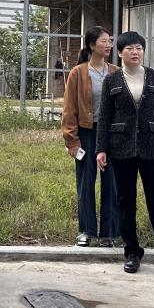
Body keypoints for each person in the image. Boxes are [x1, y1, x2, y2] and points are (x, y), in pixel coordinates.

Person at [96, 32, 154, 283]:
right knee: (125, 202)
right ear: (120, 52)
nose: (135, 52)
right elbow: (104, 117)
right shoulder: (112, 80)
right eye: (130, 49)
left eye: (139, 48)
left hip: (153, 147)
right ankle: (132, 252)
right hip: (120, 148)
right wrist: (101, 149)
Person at [61, 27, 119, 247]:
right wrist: (71, 141)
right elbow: (69, 109)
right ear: (92, 45)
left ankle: (108, 233)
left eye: (110, 42)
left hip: (111, 134)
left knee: (111, 182)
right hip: (86, 133)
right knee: (85, 182)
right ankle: (86, 230)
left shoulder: (115, 72)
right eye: (104, 41)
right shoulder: (78, 72)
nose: (108, 45)